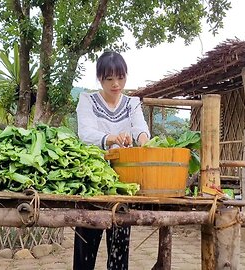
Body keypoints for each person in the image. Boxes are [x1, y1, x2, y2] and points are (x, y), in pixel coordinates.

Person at [74, 51, 150, 270]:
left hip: (123, 180)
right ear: (99, 78)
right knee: (86, 242)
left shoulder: (132, 103)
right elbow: (85, 133)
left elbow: (140, 128)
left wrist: (143, 140)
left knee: (119, 242)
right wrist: (109, 138)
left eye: (121, 77)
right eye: (109, 79)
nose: (116, 84)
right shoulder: (87, 100)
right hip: (93, 178)